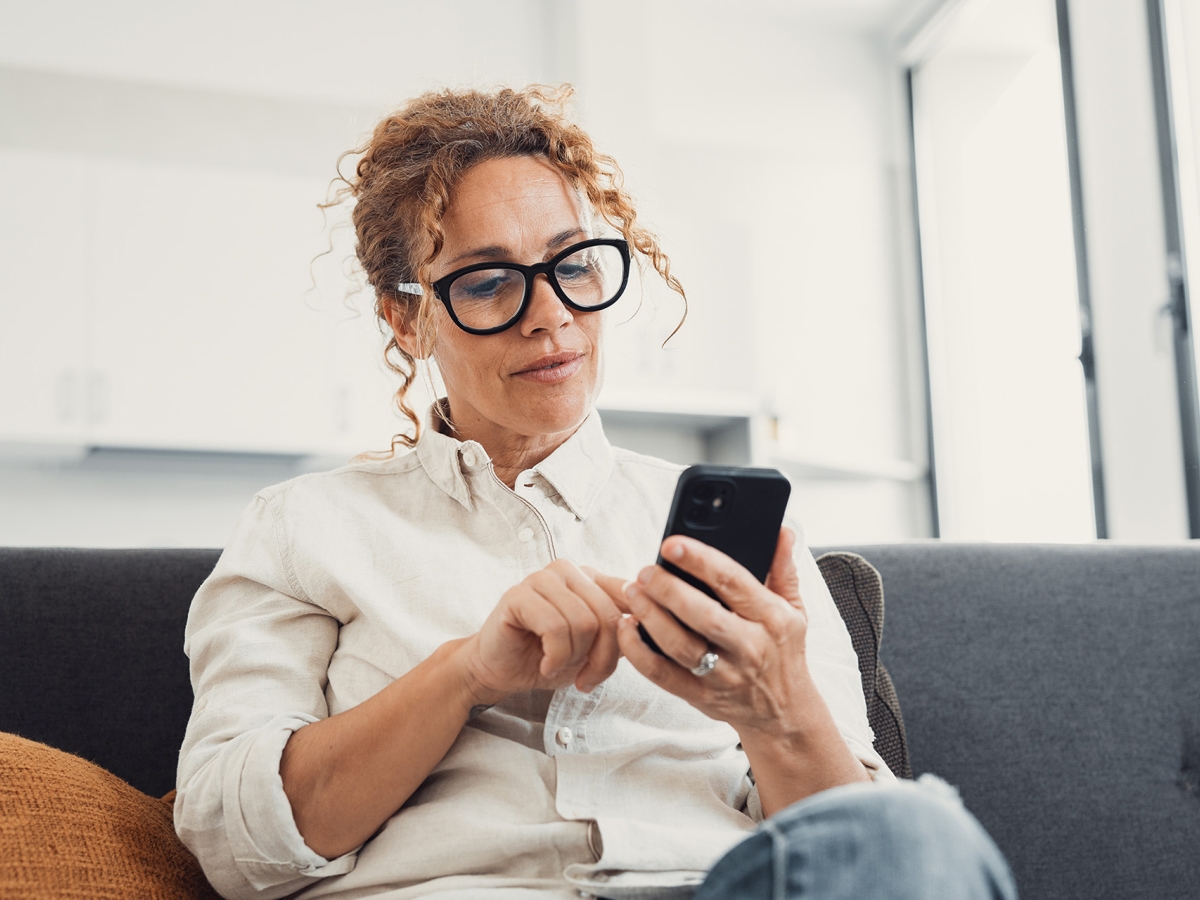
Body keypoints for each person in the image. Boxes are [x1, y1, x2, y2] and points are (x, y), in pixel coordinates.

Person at [174, 85, 1016, 900]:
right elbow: (235, 850)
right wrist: (465, 672)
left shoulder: (747, 534)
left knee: (916, 830)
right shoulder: (303, 530)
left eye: (572, 263)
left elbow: (864, 861)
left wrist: (775, 709)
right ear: (408, 318)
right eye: (487, 280)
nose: (550, 315)